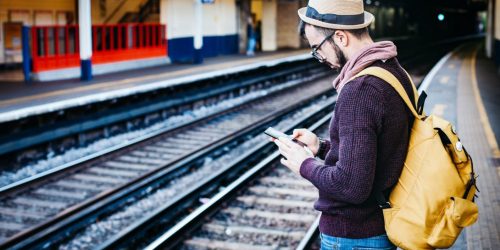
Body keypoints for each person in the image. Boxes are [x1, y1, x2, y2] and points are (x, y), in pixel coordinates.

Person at [272, 0, 416, 249]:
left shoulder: (359, 90)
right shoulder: (392, 70)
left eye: (317, 48)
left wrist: (303, 164)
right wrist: (321, 147)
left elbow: (351, 186)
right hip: (379, 227)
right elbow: (374, 153)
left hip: (354, 236)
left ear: (340, 37)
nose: (319, 57)